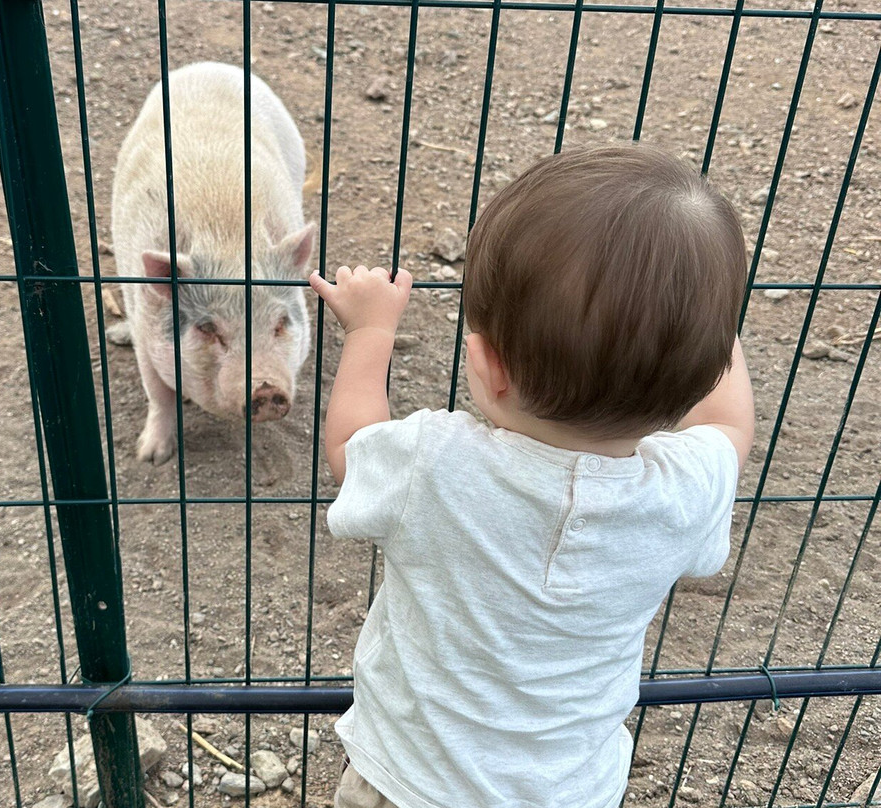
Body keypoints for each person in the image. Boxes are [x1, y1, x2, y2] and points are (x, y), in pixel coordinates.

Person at [306, 143, 756, 808]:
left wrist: (370, 331)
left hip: (409, 783)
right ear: (699, 372)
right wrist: (696, 324)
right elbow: (729, 427)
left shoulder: (435, 464)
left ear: (488, 366)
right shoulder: (686, 492)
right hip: (572, 792)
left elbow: (351, 443)